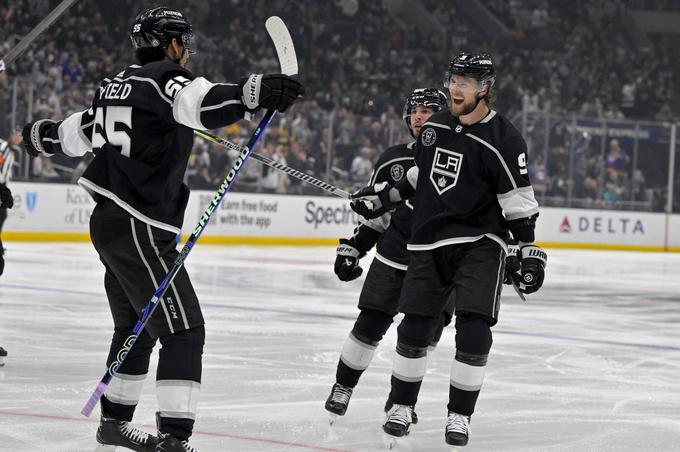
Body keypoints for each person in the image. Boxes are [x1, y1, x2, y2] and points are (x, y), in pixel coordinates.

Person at [21, 7, 304, 452]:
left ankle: (114, 423)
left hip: (111, 221)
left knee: (137, 321)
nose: (188, 53)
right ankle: (175, 436)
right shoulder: (166, 79)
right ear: (171, 44)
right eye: (184, 43)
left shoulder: (114, 84)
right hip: (139, 224)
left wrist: (41, 135)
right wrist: (256, 91)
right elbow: (204, 103)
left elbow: (77, 133)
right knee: (184, 330)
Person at [351, 52, 547, 448]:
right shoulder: (435, 127)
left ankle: (459, 416)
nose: (455, 88)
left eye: (465, 82)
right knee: (414, 327)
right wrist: (383, 199)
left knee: (474, 329)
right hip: (426, 241)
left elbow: (518, 201)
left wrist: (525, 249)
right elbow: (417, 175)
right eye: (453, 80)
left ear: (485, 89)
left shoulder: (505, 139)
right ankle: (401, 407)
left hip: (480, 243)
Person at [325, 88, 450, 422]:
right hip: (394, 256)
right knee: (369, 323)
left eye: (429, 111)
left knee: (424, 337)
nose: (420, 116)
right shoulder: (393, 159)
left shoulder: (462, 157)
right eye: (416, 111)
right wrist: (356, 245)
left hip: (440, 265)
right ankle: (343, 386)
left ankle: (401, 403)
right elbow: (377, 214)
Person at [0, 129, 19, 277]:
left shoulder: (11, 151)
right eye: (17, 134)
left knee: (2, 215)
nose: (18, 138)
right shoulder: (3, 147)